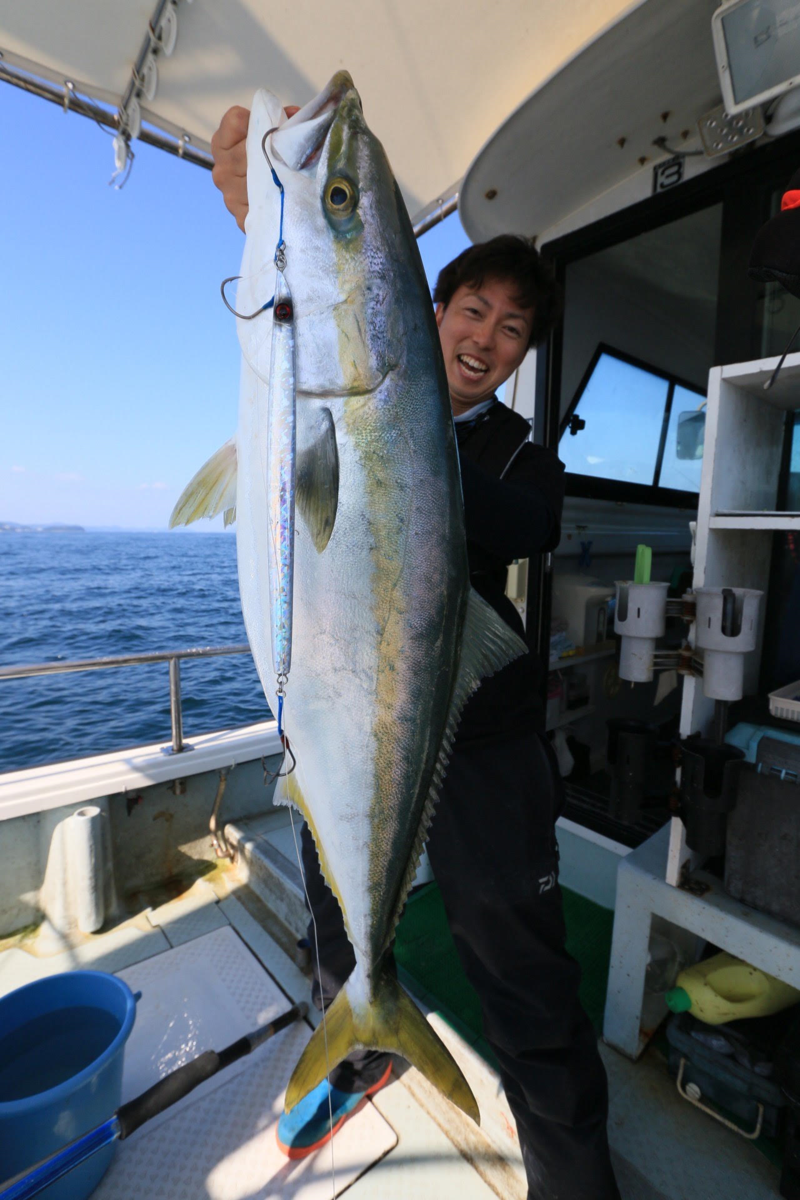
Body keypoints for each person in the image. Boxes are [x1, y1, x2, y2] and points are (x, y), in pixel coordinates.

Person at [211, 106, 621, 1200]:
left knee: (521, 970)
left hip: (483, 749)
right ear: (428, 310)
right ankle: (358, 1046)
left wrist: (400, 425)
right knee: (338, 927)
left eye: (512, 331)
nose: (486, 338)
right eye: (471, 309)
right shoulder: (343, 393)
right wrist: (260, 223)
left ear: (522, 356)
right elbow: (298, 329)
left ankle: (574, 1177)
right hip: (346, 723)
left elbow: (529, 527)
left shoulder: (520, 457)